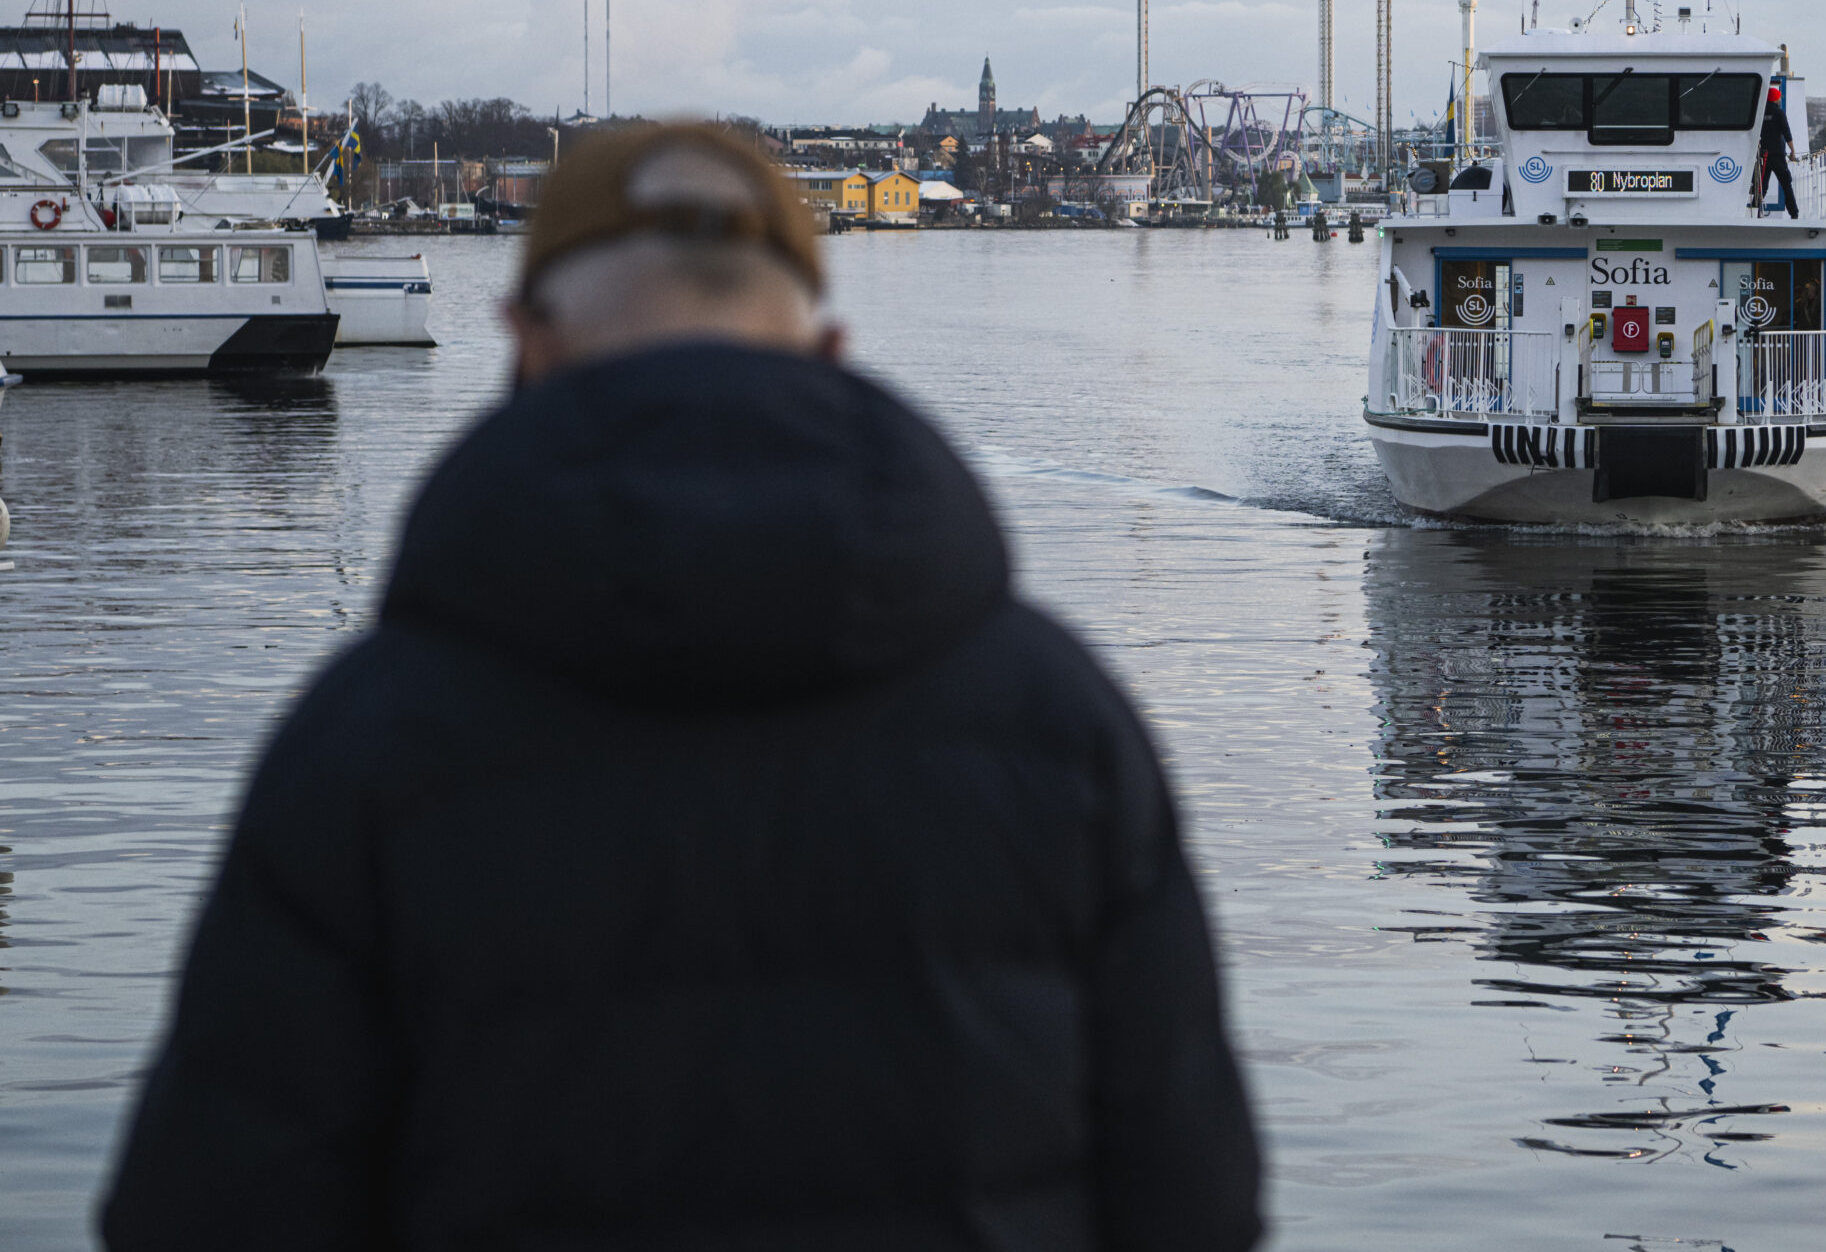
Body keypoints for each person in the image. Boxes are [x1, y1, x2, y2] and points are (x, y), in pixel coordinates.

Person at [100, 124, 1262, 1251]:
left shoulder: (364, 745)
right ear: (822, 352)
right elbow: (1193, 1196)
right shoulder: (1060, 723)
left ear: (528, 341)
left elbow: (212, 1207)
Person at [1753, 79, 1800, 219]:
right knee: (1786, 184)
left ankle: (1755, 212)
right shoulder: (1779, 113)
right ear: (1775, 99)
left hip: (1763, 156)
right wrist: (1793, 151)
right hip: (1778, 156)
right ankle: (1794, 213)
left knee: (1762, 186)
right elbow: (1787, 133)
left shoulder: (1760, 113)